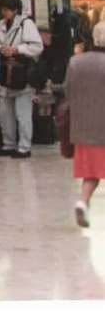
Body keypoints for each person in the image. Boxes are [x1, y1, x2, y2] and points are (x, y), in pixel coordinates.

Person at [0, 0, 44, 158]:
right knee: (5, 114)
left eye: (7, 9)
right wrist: (0, 50)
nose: (4, 12)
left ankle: (24, 147)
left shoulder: (26, 24)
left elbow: (37, 47)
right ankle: (8, 144)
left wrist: (17, 50)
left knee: (23, 113)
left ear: (15, 9)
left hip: (22, 74)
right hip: (5, 73)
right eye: (3, 9)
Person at [67, 22, 105, 227]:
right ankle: (82, 204)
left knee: (91, 173)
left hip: (83, 128)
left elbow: (68, 91)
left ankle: (82, 201)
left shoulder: (76, 62)